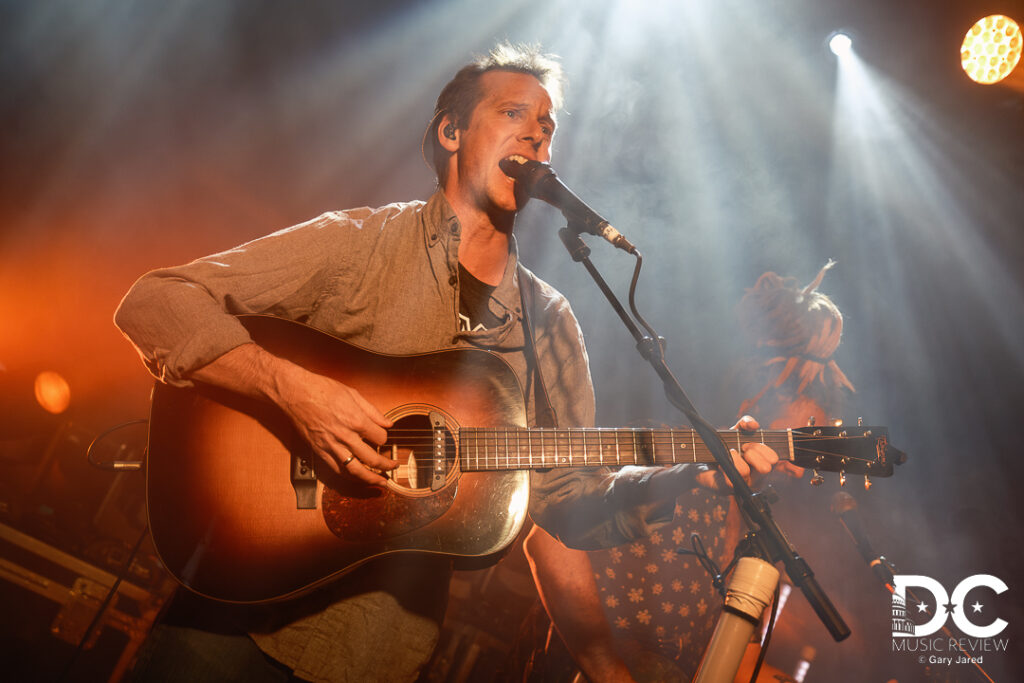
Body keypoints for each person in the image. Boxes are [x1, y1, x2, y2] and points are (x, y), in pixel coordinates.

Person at [115, 43, 780, 682]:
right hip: (233, 610)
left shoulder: (549, 322)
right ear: (452, 132)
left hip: (375, 651)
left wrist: (693, 470)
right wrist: (295, 392)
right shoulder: (360, 243)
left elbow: (565, 502)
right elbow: (156, 302)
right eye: (514, 114)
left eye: (547, 128)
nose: (536, 139)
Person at [522, 262, 854, 682]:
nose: (800, 468)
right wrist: (609, 671)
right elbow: (550, 546)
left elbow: (733, 662)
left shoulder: (763, 531)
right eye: (797, 439)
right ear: (755, 404)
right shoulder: (669, 456)